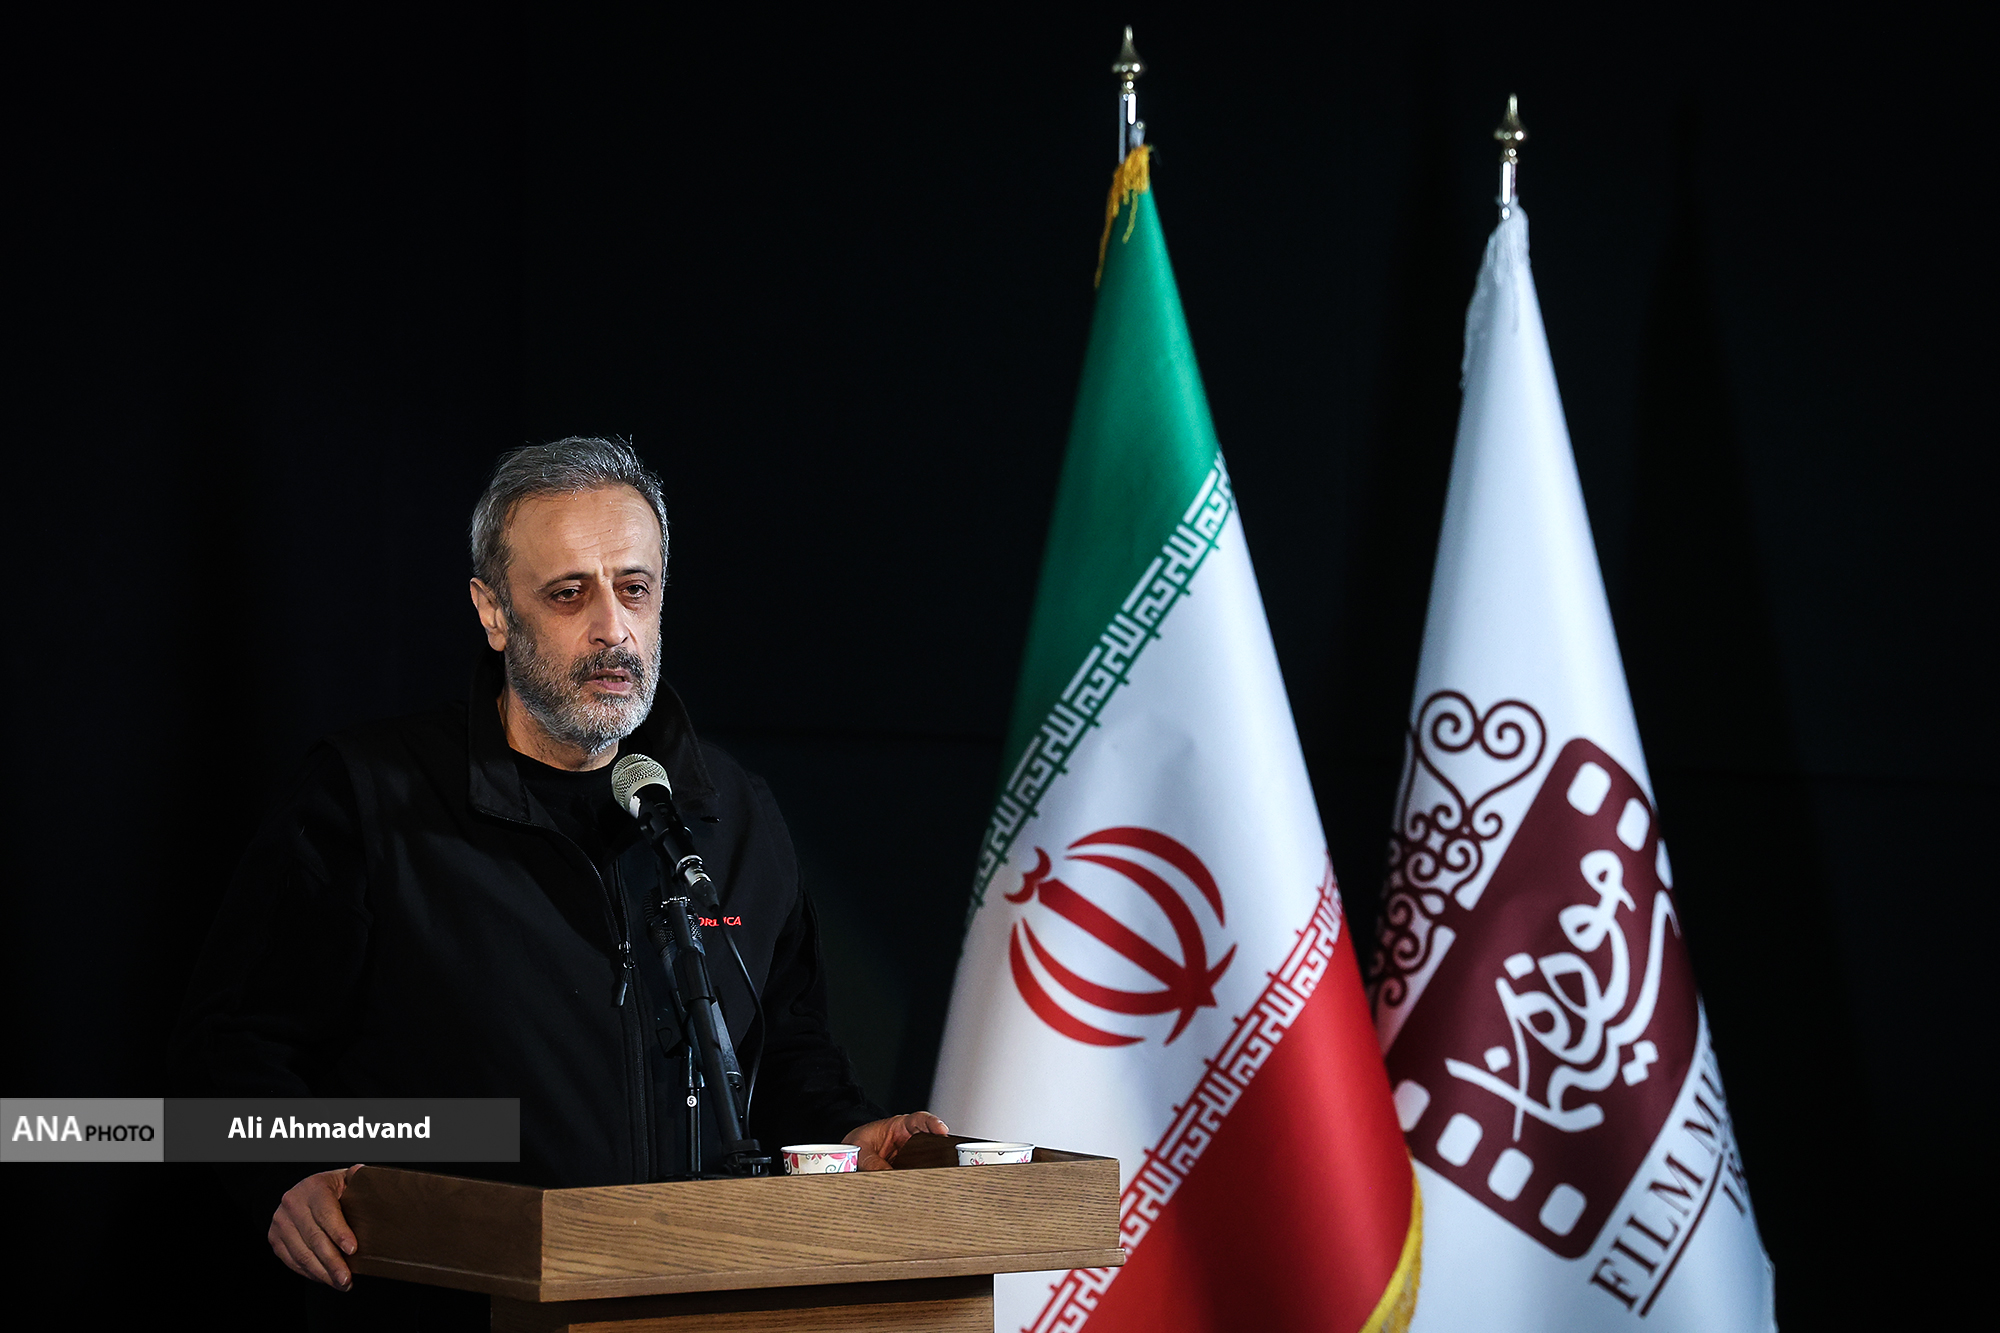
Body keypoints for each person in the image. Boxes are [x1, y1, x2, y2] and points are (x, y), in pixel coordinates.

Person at [172, 438, 945, 1317]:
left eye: (634, 588)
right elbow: (233, 1048)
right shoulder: (369, 798)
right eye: (570, 593)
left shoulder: (733, 813)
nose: (613, 627)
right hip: (455, 1298)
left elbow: (787, 1050)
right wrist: (289, 1168)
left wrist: (847, 1130)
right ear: (493, 611)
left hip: (697, 1298)